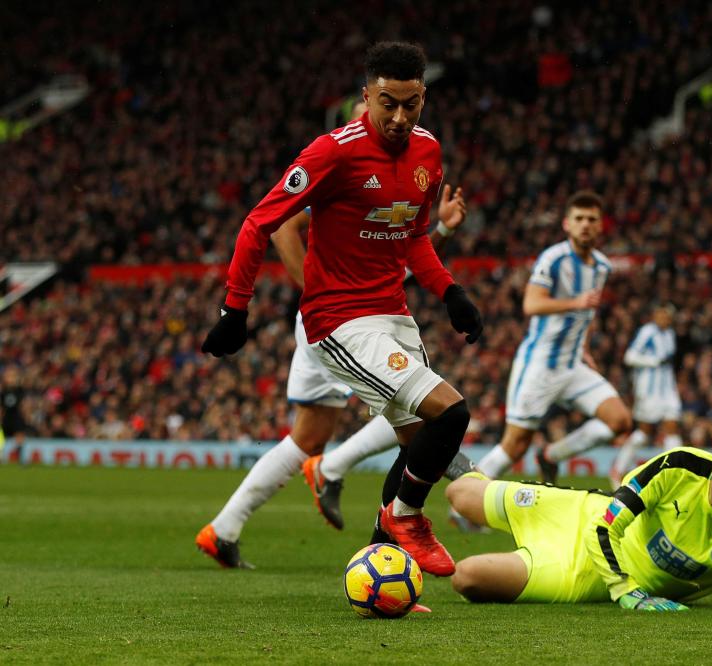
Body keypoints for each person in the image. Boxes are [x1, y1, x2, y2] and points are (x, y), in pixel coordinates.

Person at [200, 41, 483, 577]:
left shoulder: (428, 152)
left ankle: (382, 574)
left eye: (412, 103)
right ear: (366, 96)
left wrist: (450, 293)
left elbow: (414, 235)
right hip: (340, 321)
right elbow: (262, 221)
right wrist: (235, 310)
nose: (400, 117)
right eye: (387, 103)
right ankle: (404, 519)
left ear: (424, 96)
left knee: (420, 445)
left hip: (393, 314)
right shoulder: (333, 151)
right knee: (451, 412)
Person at [195, 180, 468, 568]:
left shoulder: (395, 180)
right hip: (337, 320)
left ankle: (224, 529)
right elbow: (282, 225)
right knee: (420, 419)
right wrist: (320, 293)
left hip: (358, 314)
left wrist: (442, 231)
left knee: (310, 434)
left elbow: (401, 259)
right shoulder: (347, 174)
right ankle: (339, 471)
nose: (395, 119)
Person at [445, 422, 712, 615]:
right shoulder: (680, 465)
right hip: (579, 514)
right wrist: (628, 593)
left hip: (579, 576)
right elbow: (605, 524)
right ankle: (433, 441)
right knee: (459, 494)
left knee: (467, 577)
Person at [474, 190, 632, 484]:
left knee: (620, 420)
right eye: (579, 219)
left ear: (600, 226)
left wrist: (584, 346)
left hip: (572, 366)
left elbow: (588, 313)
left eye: (592, 219)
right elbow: (531, 304)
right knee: (515, 444)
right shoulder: (553, 259)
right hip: (540, 366)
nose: (585, 224)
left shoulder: (601, 266)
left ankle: (551, 455)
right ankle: (462, 503)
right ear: (567, 224)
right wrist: (576, 302)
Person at [609, 303, 682, 488]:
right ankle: (618, 469)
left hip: (667, 390)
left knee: (673, 430)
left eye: (666, 315)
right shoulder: (647, 332)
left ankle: (672, 476)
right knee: (644, 433)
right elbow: (630, 357)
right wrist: (654, 361)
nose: (663, 318)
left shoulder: (670, 334)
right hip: (649, 391)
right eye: (661, 314)